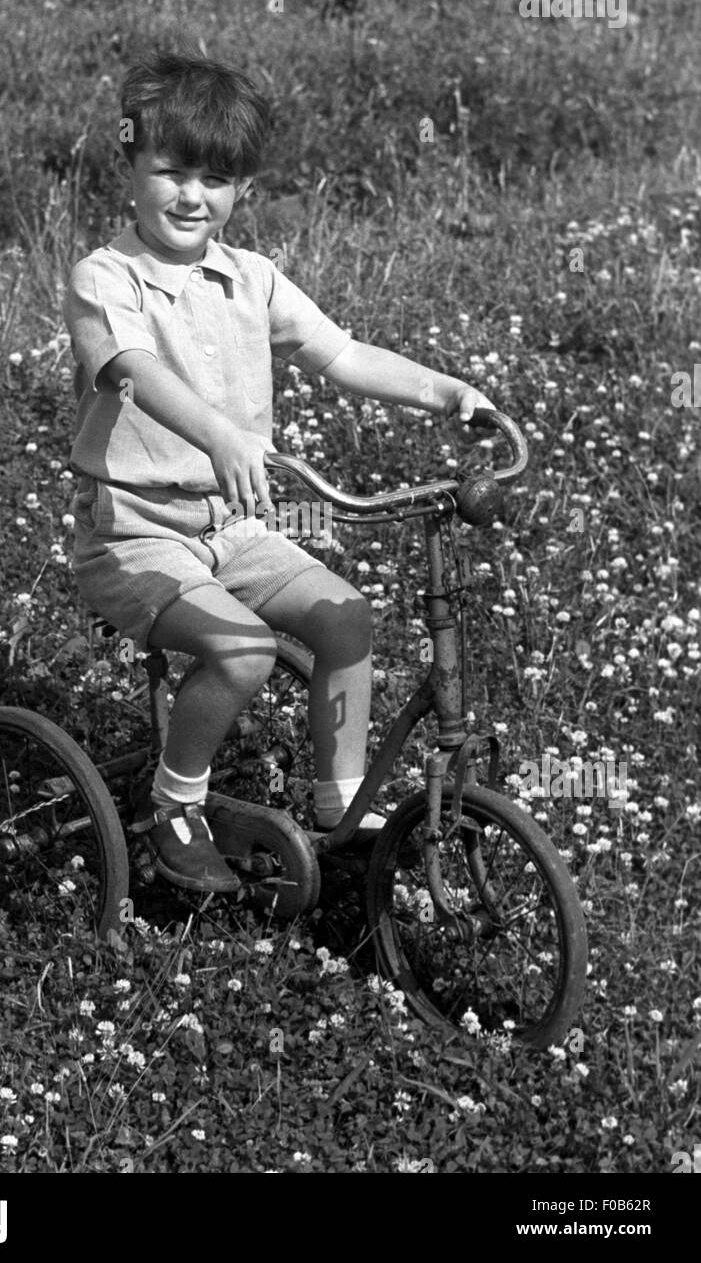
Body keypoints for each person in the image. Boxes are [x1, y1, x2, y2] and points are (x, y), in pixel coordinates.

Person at [65, 49, 494, 894]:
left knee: (345, 619)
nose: (192, 196)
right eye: (171, 171)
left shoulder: (250, 277)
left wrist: (444, 392)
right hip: (135, 536)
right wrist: (221, 435)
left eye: (215, 179)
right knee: (242, 650)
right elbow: (130, 371)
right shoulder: (105, 278)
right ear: (130, 167)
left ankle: (338, 799)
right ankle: (175, 806)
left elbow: (341, 354)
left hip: (236, 529)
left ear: (242, 192)